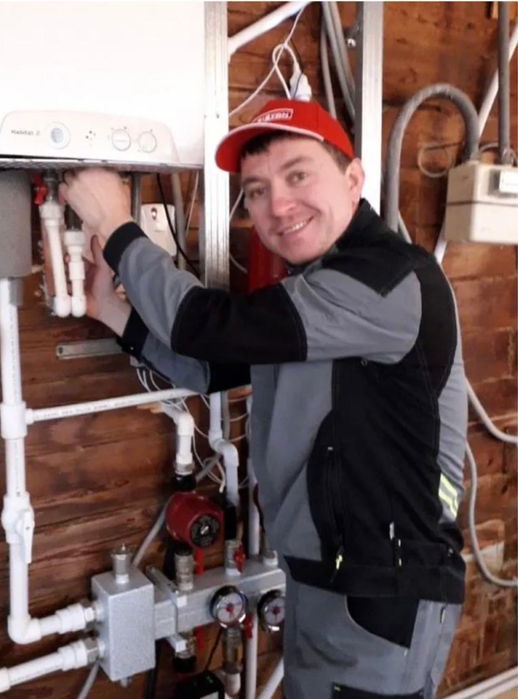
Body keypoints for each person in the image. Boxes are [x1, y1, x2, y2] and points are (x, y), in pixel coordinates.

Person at [61, 98, 467, 699]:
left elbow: (205, 326)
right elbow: (211, 364)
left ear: (354, 179)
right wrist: (112, 311)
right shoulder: (317, 289)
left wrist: (118, 224)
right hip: (326, 580)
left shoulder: (389, 279)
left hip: (382, 592)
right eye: (256, 190)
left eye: (298, 175)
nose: (277, 205)